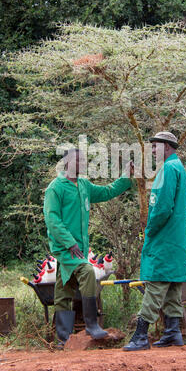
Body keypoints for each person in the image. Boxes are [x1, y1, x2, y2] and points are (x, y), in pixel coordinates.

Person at [43, 148, 132, 348]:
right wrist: (69, 242)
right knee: (87, 272)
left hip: (79, 248)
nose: (82, 163)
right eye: (78, 160)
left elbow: (107, 191)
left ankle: (62, 340)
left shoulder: (83, 185)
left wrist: (125, 178)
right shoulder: (55, 188)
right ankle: (92, 324)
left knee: (64, 288)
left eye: (83, 160)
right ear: (66, 163)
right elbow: (52, 219)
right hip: (66, 248)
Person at [123, 131, 186, 351]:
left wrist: (149, 230)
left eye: (156, 146)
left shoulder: (168, 169)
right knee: (172, 287)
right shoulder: (177, 167)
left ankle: (140, 336)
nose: (153, 150)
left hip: (163, 238)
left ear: (167, 147)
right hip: (176, 239)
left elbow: (162, 207)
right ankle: (173, 333)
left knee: (156, 284)